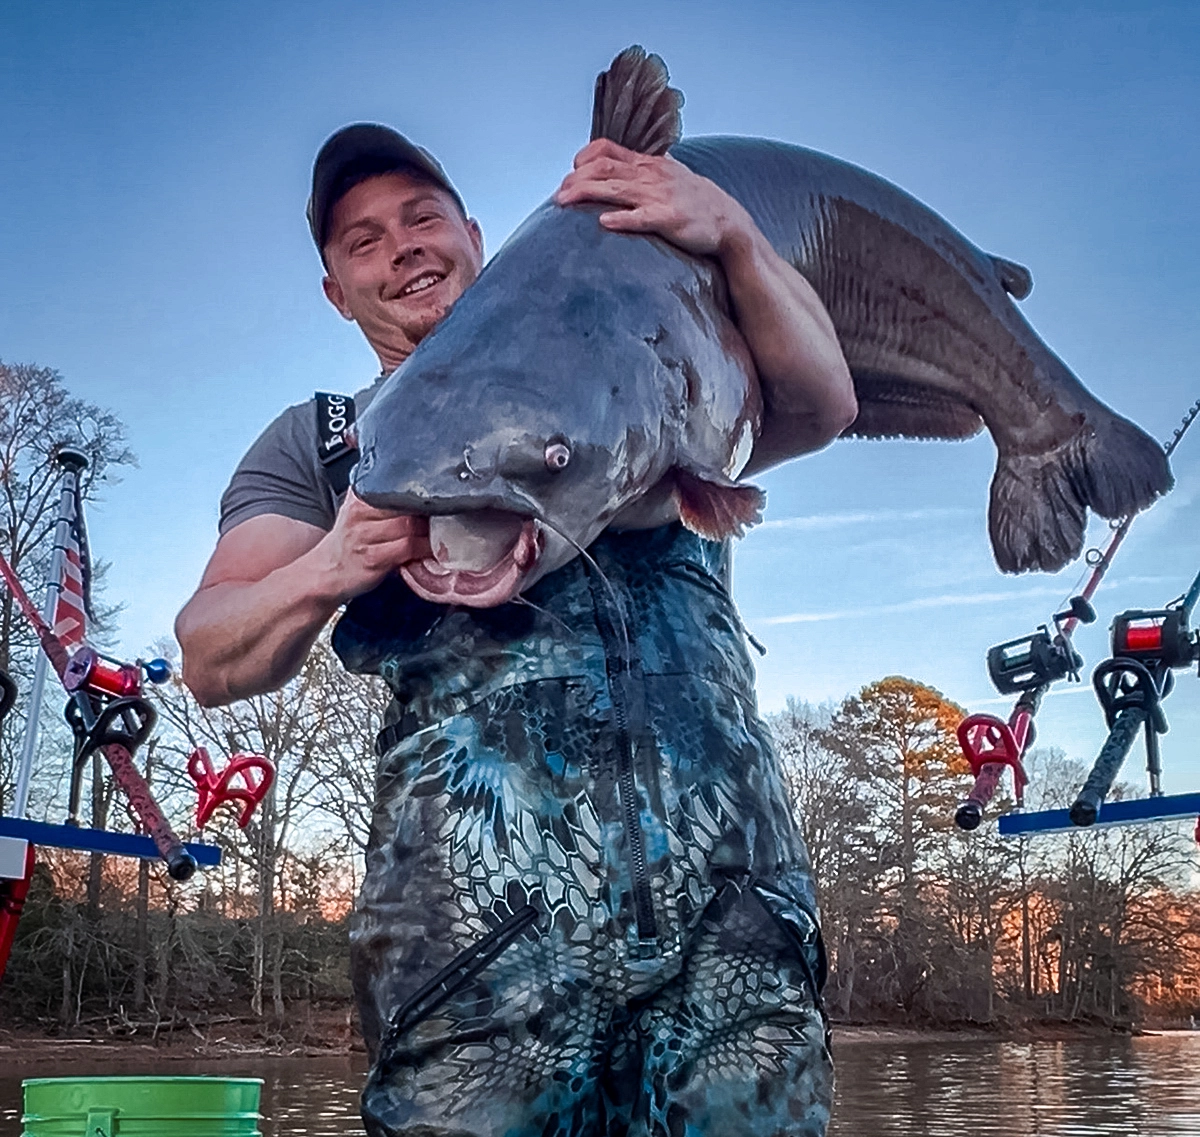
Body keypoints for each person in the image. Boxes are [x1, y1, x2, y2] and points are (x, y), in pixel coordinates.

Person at [177, 122, 856, 1136]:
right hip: (476, 957)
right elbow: (210, 650)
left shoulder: (641, 362)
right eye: (362, 241)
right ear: (335, 291)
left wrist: (736, 240)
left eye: (420, 218)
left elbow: (824, 402)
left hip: (731, 923)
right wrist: (333, 562)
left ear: (474, 236)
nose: (400, 246)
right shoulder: (316, 446)